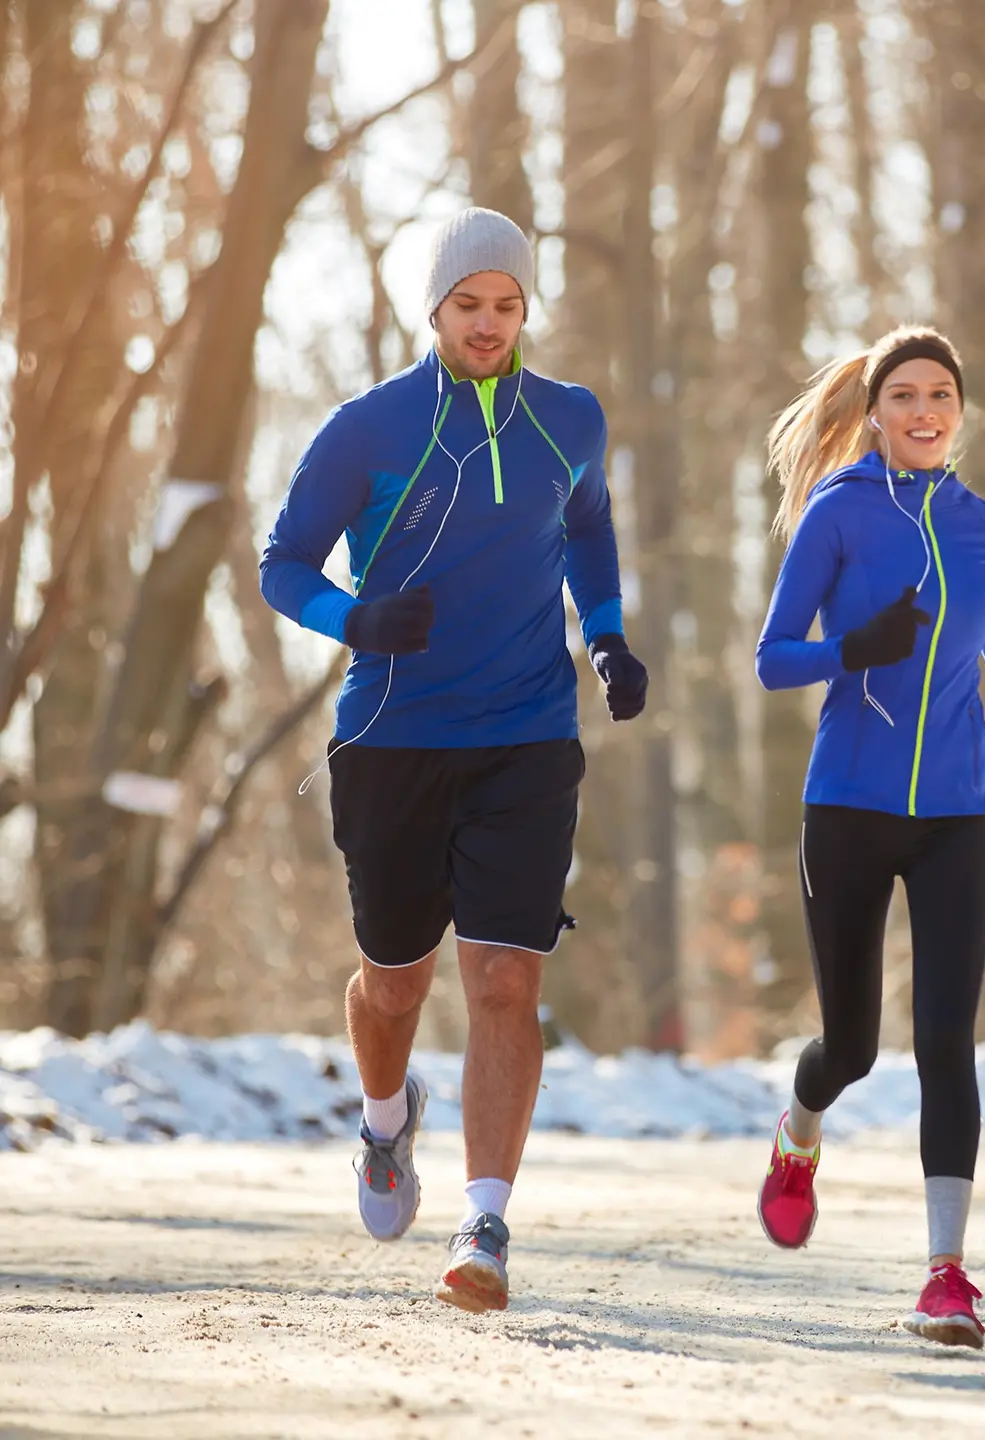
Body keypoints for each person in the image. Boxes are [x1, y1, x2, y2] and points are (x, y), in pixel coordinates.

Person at [259, 208, 647, 1313]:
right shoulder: (369, 428)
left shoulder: (569, 418)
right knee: (394, 984)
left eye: (508, 305)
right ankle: (386, 1125)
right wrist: (356, 620)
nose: (489, 324)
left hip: (526, 735)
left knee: (507, 977)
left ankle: (486, 1225)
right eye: (469, 305)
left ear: (529, 311)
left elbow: (587, 526)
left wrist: (608, 634)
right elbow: (282, 563)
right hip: (392, 739)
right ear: (434, 309)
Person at [753, 326, 985, 1348]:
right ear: (875, 412)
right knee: (854, 1046)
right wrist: (852, 649)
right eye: (905, 396)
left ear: (959, 410)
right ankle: (799, 1134)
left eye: (941, 395)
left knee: (946, 1044)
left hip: (959, 812)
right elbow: (771, 659)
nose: (925, 412)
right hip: (848, 805)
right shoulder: (837, 515)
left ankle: (946, 1275)